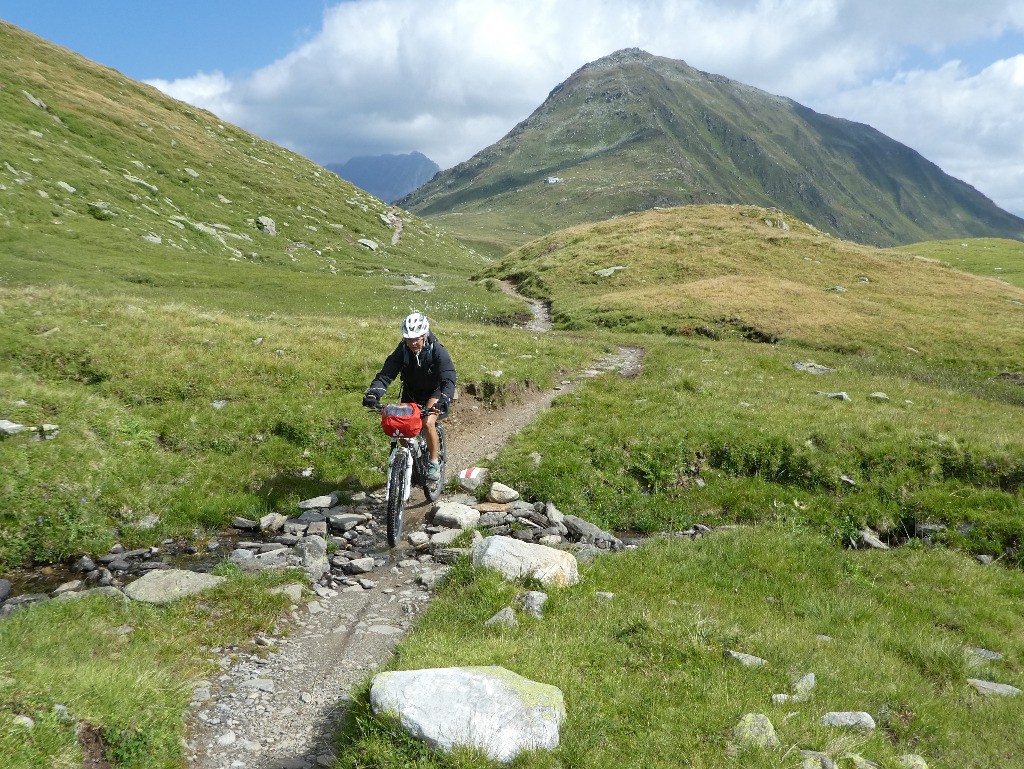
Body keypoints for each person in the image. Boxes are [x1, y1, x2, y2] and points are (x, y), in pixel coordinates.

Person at [362, 312, 456, 481]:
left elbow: (448, 376)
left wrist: (445, 399)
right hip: (411, 392)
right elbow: (386, 374)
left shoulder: (437, 351)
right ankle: (408, 463)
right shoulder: (402, 351)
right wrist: (373, 393)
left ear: (425, 334)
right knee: (401, 428)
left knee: (428, 423)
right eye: (408, 338)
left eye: (417, 338)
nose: (413, 342)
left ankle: (434, 462)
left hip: (434, 392)